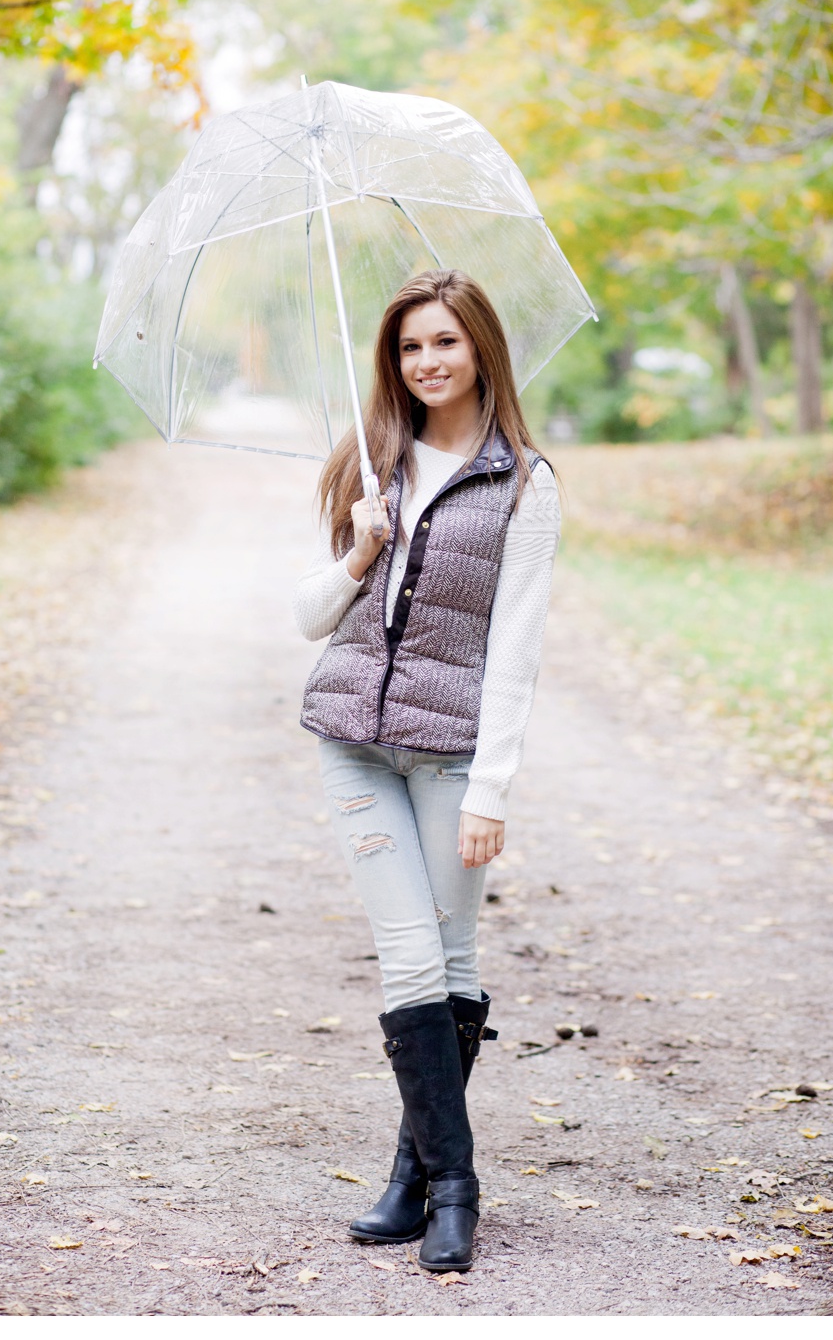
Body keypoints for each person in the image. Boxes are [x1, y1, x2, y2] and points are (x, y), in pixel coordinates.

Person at [292, 269, 561, 1273]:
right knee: (411, 958)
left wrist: (492, 789)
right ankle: (456, 1187)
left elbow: (519, 650)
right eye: (409, 347)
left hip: (452, 756)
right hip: (353, 743)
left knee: (451, 966)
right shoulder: (371, 464)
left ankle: (412, 1177)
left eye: (444, 342)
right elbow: (308, 616)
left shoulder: (525, 485)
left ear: (479, 348)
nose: (426, 363)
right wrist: (361, 549)